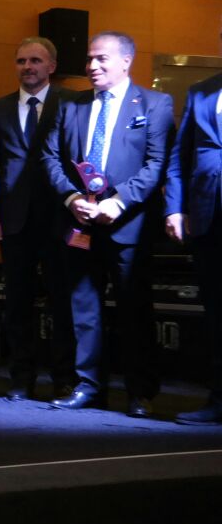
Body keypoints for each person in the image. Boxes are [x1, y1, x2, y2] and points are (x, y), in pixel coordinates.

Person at [43, 32, 172, 417]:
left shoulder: (154, 103)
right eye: (89, 59)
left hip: (128, 225)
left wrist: (118, 202)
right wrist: (72, 198)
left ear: (126, 61)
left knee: (134, 310)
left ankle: (139, 393)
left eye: (101, 58)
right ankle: (89, 387)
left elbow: (156, 163)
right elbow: (50, 157)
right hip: (80, 223)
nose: (92, 66)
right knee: (84, 309)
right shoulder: (71, 104)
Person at [0, 37, 74, 401]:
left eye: (35, 60)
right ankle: (21, 378)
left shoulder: (73, 103)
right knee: (18, 302)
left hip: (61, 218)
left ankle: (65, 378)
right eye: (21, 61)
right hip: (15, 220)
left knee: (63, 302)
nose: (27, 67)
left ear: (51, 66)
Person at [165, 19, 222, 425]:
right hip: (208, 219)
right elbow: (178, 157)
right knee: (216, 314)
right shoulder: (201, 91)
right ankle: (219, 400)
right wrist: (174, 207)